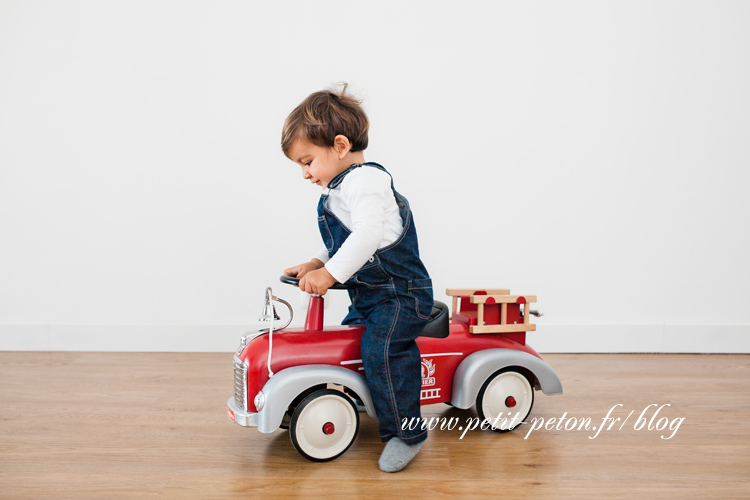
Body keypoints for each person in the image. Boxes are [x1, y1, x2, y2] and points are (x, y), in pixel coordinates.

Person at [281, 85, 434, 472]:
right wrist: (316, 262)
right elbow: (344, 243)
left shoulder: (366, 181)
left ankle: (407, 432)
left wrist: (330, 274)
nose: (304, 174)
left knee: (382, 351)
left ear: (340, 145)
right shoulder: (339, 189)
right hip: (371, 297)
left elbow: (366, 236)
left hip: (401, 296)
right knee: (350, 347)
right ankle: (352, 403)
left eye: (307, 161)